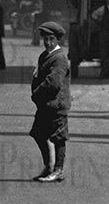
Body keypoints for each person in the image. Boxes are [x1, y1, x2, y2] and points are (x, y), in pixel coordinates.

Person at [29, 21, 71, 184]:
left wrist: (36, 94)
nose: (48, 42)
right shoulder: (45, 56)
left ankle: (58, 170)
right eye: (45, 39)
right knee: (38, 133)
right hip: (46, 105)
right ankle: (48, 167)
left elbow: (53, 82)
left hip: (56, 105)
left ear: (57, 40)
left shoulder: (59, 58)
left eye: (51, 39)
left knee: (59, 137)